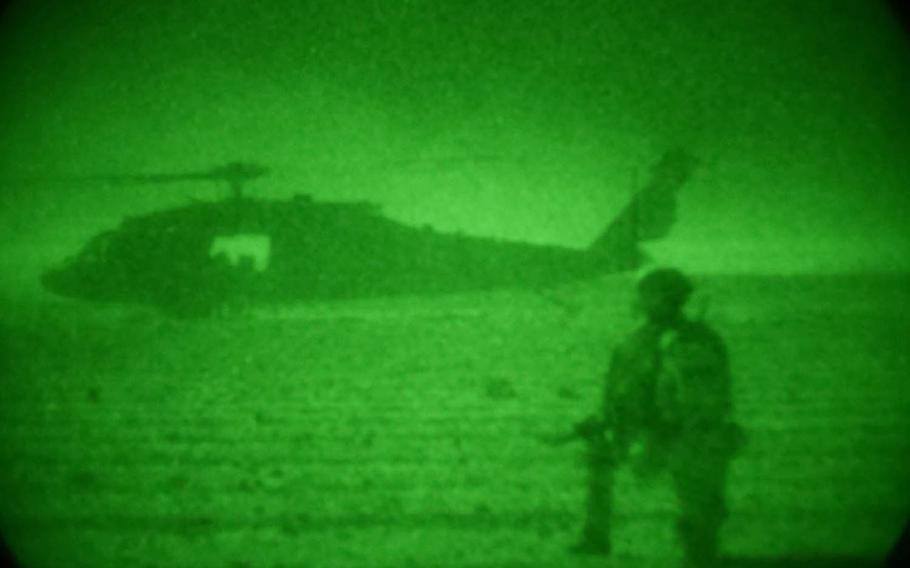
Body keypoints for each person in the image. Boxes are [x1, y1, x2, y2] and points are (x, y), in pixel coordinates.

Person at [570, 268, 744, 567]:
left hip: (672, 438)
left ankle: (600, 537)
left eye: (644, 295)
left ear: (658, 298)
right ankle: (599, 537)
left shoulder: (653, 342)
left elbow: (631, 398)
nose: (638, 301)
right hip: (675, 436)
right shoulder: (696, 338)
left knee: (695, 497)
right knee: (601, 460)